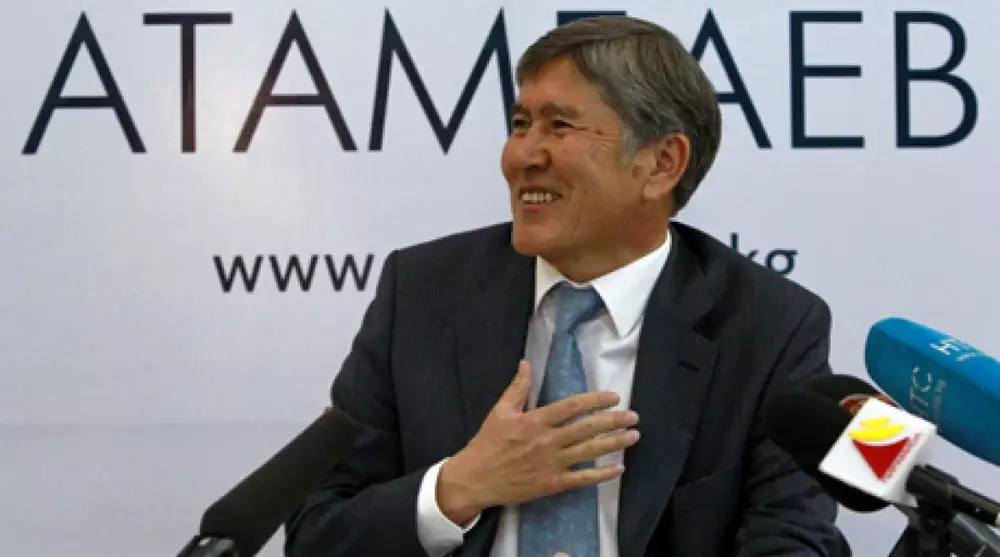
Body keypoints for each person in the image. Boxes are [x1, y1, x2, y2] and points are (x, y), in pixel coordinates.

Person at [284, 14, 849, 557]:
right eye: (520, 124)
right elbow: (315, 531)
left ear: (661, 164)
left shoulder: (769, 327)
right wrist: (457, 487)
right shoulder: (423, 293)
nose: (522, 156)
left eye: (559, 126)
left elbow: (792, 540)